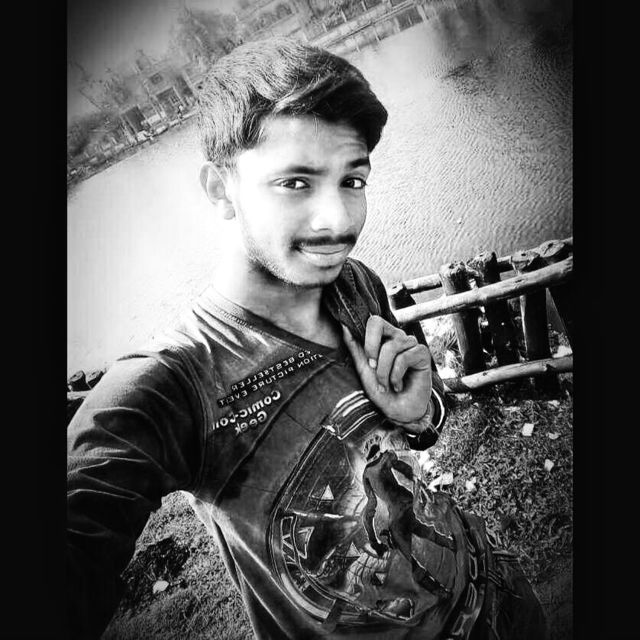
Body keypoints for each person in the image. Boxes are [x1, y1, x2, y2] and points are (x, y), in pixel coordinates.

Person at [67, 38, 547, 640]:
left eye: (353, 180)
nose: (339, 221)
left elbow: (420, 433)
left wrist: (421, 413)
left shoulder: (354, 286)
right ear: (220, 189)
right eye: (296, 182)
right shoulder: (170, 384)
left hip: (497, 593)